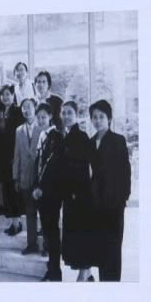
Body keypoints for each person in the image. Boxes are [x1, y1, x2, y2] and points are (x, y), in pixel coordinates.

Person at [89, 99, 132, 281]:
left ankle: (113, 284)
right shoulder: (91, 142)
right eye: (94, 117)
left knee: (113, 248)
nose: (98, 120)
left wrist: (122, 198)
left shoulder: (118, 140)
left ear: (109, 119)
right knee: (101, 247)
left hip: (114, 203)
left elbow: (125, 172)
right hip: (96, 203)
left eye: (101, 116)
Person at [57, 101, 96, 281]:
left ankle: (85, 273)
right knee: (75, 234)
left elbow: (82, 168)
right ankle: (86, 273)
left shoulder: (81, 136)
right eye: (64, 113)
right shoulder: (65, 135)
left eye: (69, 113)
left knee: (81, 234)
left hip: (79, 195)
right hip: (70, 195)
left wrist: (75, 191)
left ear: (76, 115)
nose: (66, 116)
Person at [32, 102, 63, 280]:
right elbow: (38, 165)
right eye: (38, 117)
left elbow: (53, 167)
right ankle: (51, 269)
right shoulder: (42, 135)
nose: (41, 120)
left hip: (51, 192)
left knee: (52, 232)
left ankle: (55, 271)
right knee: (48, 231)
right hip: (41, 192)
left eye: (44, 117)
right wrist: (36, 186)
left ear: (50, 117)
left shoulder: (56, 136)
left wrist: (42, 188)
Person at [13, 97, 43, 254]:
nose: (26, 110)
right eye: (23, 107)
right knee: (30, 213)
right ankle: (32, 244)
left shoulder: (42, 127)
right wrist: (16, 177)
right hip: (25, 177)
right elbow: (17, 155)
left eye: (29, 106)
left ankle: (47, 246)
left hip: (41, 178)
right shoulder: (19, 130)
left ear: (35, 108)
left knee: (44, 213)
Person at [0, 84, 23, 235]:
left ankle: (17, 223)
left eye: (8, 94)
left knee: (14, 191)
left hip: (14, 155)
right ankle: (12, 223)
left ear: (13, 95)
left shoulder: (18, 111)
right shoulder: (0, 111)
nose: (5, 97)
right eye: (3, 94)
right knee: (6, 190)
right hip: (2, 157)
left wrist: (16, 155)